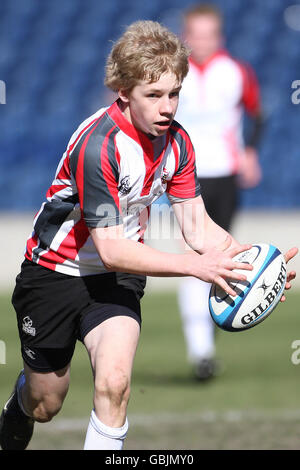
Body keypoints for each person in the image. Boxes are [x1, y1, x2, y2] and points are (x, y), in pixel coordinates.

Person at [0, 20, 296, 451]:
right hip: (54, 274)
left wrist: (253, 267)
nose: (167, 107)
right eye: (153, 95)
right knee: (47, 402)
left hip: (114, 281)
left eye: (173, 93)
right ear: (123, 91)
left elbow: (196, 224)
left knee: (115, 383)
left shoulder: (177, 143)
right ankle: (20, 402)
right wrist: (196, 267)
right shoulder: (98, 146)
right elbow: (111, 246)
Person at [175, 4, 265, 380]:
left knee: (222, 257)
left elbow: (258, 114)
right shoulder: (172, 73)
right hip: (183, 177)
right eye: (195, 33)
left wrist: (249, 152)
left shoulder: (236, 71)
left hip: (225, 177)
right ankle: (201, 352)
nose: (202, 40)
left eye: (208, 33)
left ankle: (207, 338)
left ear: (219, 36)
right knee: (192, 259)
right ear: (185, 36)